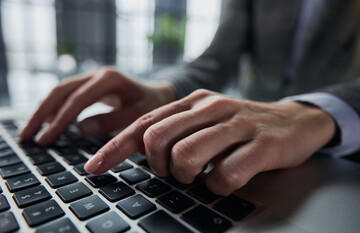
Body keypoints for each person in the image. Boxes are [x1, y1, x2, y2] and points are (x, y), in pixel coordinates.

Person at [19, 0, 360, 196]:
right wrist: (162, 92)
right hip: (241, 152)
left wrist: (312, 113)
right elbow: (216, 60)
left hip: (341, 160)